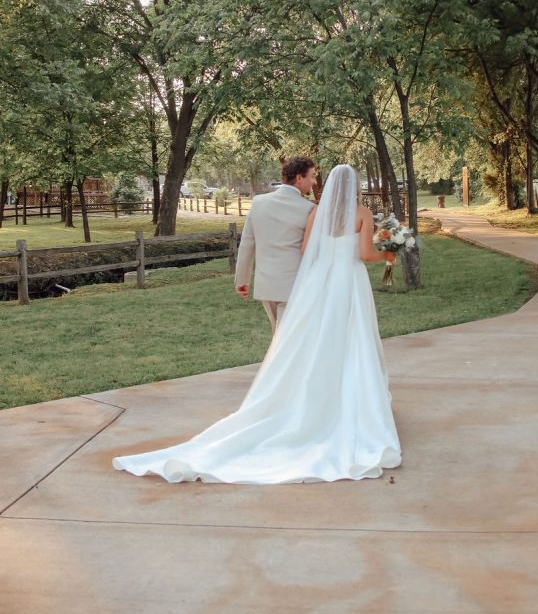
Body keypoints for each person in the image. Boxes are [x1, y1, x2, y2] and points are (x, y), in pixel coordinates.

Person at [112, 164, 401, 484]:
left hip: (308, 283)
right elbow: (364, 253)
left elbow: (300, 249)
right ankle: (347, 402)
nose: (316, 180)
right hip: (347, 281)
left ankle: (301, 398)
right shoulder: (360, 212)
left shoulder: (312, 212)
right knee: (351, 339)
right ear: (354, 186)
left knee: (305, 341)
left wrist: (259, 276)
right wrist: (389, 254)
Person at [234, 156, 317, 334]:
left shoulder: (259, 202)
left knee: (279, 335)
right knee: (287, 340)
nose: (314, 181)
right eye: (312, 176)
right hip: (295, 284)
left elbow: (247, 244)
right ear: (299, 178)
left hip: (267, 284)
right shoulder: (308, 209)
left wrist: (242, 280)